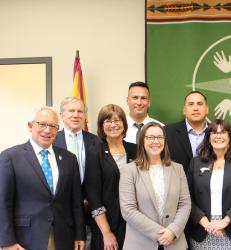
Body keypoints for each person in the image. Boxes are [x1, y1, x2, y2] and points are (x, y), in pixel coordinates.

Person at [0, 107, 85, 250]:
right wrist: (7, 242)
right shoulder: (10, 157)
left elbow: (76, 201)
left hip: (63, 237)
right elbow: (2, 202)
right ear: (30, 126)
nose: (47, 130)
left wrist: (79, 234)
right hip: (25, 239)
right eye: (42, 124)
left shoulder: (69, 159)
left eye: (53, 126)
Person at [187, 119, 231, 249]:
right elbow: (186, 197)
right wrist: (205, 223)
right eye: (214, 132)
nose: (218, 136)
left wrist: (225, 221)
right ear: (208, 138)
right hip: (203, 230)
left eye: (223, 132)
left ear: (230, 137)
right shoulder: (196, 163)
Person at [119, 122, 191, 250]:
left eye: (159, 137)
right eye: (150, 137)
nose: (155, 141)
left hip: (174, 243)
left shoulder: (178, 169)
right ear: (142, 141)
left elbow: (185, 204)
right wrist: (161, 233)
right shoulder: (129, 170)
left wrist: (173, 231)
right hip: (140, 244)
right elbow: (128, 210)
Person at [84, 104, 137, 250]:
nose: (113, 125)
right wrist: (106, 233)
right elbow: (93, 198)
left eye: (117, 120)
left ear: (124, 124)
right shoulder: (95, 153)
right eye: (107, 121)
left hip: (134, 226)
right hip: (107, 227)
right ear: (101, 126)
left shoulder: (136, 150)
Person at [54, 97, 101, 250]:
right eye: (71, 111)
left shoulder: (96, 142)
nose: (76, 115)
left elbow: (100, 176)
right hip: (60, 212)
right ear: (61, 115)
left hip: (90, 209)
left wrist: (89, 198)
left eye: (80, 111)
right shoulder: (51, 141)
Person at [165, 91, 209, 172]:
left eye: (199, 104)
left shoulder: (218, 133)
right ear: (184, 110)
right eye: (191, 104)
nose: (195, 108)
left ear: (207, 109)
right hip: (178, 183)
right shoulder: (167, 132)